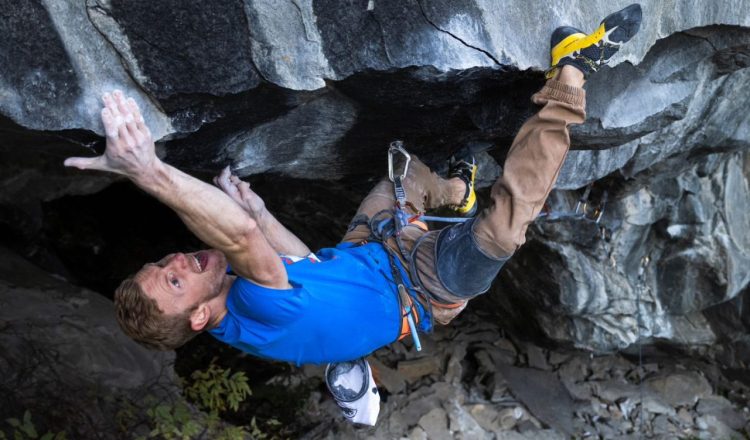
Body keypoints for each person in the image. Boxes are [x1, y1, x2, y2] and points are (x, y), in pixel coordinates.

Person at [65, 5, 642, 366]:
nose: (182, 260)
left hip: (373, 249)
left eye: (167, 261)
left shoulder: (235, 310)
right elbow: (239, 237)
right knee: (507, 222)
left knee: (407, 167)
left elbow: (302, 263)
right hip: (428, 286)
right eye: (173, 278)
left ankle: (449, 194)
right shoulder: (252, 313)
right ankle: (574, 73)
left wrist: (263, 215)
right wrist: (147, 170)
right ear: (196, 317)